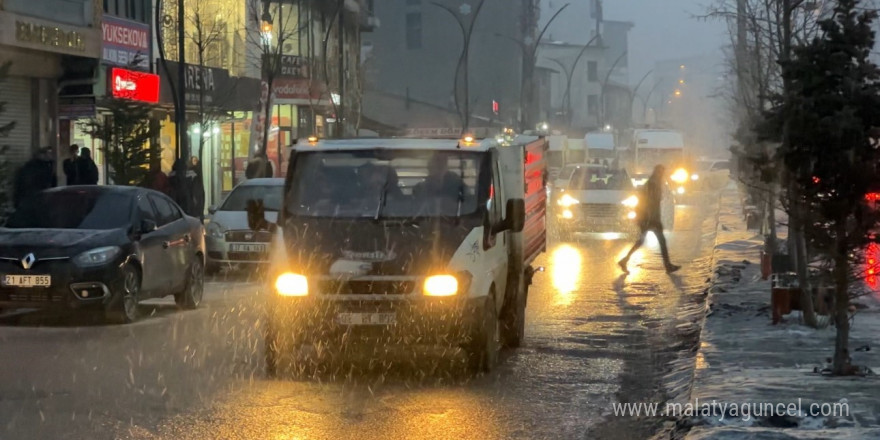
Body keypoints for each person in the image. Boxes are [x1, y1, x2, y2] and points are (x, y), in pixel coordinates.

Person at [618, 164, 680, 274]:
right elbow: (649, 203)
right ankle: (667, 266)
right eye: (661, 172)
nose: (662, 175)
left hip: (649, 218)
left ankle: (625, 260)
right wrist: (651, 219)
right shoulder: (652, 185)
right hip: (649, 218)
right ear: (658, 173)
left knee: (642, 242)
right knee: (658, 241)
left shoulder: (653, 184)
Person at [190, 156, 206, 222]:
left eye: (196, 161)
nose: (195, 162)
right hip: (196, 193)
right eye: (194, 161)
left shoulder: (198, 171)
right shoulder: (191, 172)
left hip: (199, 193)